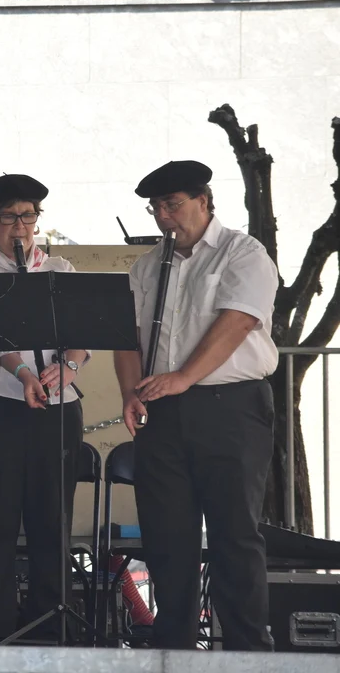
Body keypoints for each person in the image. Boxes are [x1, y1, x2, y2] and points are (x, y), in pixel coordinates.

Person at [113, 160, 278, 651]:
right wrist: (130, 391)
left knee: (234, 535)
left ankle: (248, 652)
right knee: (166, 537)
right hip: (162, 410)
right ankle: (175, 650)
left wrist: (185, 377)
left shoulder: (243, 253)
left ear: (204, 201)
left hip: (230, 407)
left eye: (173, 205)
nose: (164, 216)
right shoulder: (147, 266)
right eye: (156, 208)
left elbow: (238, 321)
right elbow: (127, 336)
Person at [0, 174, 90, 643]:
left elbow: (84, 332)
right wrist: (24, 373)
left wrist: (69, 366)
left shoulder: (60, 267)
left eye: (28, 216)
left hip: (57, 407)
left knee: (52, 522)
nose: (20, 226)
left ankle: (52, 628)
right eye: (10, 217)